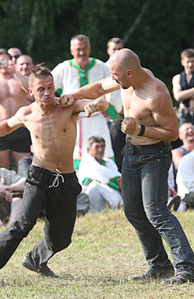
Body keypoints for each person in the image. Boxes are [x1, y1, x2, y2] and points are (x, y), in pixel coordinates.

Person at [60, 48, 194, 284]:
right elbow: (98, 88)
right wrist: (72, 96)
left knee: (156, 212)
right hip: (131, 154)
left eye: (115, 75)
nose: (112, 79)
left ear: (129, 73)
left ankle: (188, 270)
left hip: (154, 156)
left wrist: (140, 129)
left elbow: (173, 132)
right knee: (133, 211)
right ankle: (159, 266)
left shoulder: (155, 93)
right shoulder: (125, 82)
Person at [0, 64, 108, 287]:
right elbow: (7, 125)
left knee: (61, 238)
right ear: (31, 92)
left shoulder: (66, 106)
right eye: (41, 89)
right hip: (39, 176)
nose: (48, 93)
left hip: (66, 179)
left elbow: (101, 102)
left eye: (50, 87)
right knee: (22, 224)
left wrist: (95, 105)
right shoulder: (27, 113)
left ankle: (35, 259)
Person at [52, 34, 117, 168]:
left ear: (89, 48)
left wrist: (110, 110)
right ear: (72, 51)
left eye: (84, 49)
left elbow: (115, 86)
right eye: (78, 49)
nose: (82, 53)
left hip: (97, 119)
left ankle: (107, 184)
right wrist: (60, 106)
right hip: (74, 120)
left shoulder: (100, 66)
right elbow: (50, 88)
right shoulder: (63, 68)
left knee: (101, 152)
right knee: (75, 154)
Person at [0, 49, 32, 169]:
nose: (3, 64)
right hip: (0, 127)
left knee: (23, 165)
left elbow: (29, 88)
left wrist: (14, 71)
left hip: (20, 126)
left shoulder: (19, 79)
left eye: (5, 61)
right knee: (2, 166)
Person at [77, 136, 122, 212]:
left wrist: (119, 181)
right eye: (97, 147)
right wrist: (117, 180)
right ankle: (120, 205)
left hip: (105, 197)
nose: (100, 150)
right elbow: (100, 174)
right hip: (88, 196)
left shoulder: (108, 162)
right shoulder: (86, 161)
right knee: (96, 183)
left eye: (102, 146)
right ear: (88, 150)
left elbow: (118, 177)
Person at [106, 37, 125, 171]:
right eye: (114, 49)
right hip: (109, 119)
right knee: (114, 155)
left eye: (120, 49)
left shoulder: (129, 68)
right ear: (108, 51)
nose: (117, 52)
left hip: (127, 118)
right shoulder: (103, 68)